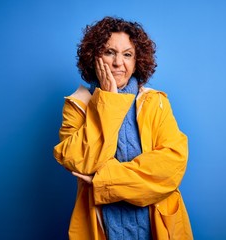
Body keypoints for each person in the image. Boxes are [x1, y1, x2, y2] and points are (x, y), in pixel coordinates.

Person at [53, 16, 193, 240]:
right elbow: (81, 161)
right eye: (109, 52)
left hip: (157, 226)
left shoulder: (155, 102)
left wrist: (105, 181)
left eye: (127, 54)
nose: (119, 63)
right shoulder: (77, 105)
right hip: (103, 228)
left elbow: (171, 165)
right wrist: (109, 99)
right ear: (94, 57)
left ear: (137, 61)